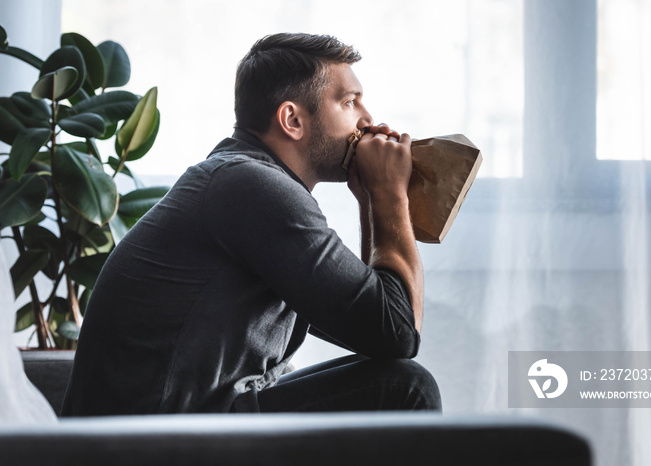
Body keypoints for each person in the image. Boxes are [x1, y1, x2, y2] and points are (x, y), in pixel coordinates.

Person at [61, 33, 441, 415]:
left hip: (181, 423)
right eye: (349, 101)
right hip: (151, 442)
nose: (368, 119)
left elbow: (369, 327)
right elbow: (397, 333)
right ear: (292, 119)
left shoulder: (241, 180)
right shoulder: (253, 186)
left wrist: (372, 199)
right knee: (406, 387)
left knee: (393, 377)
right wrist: (390, 193)